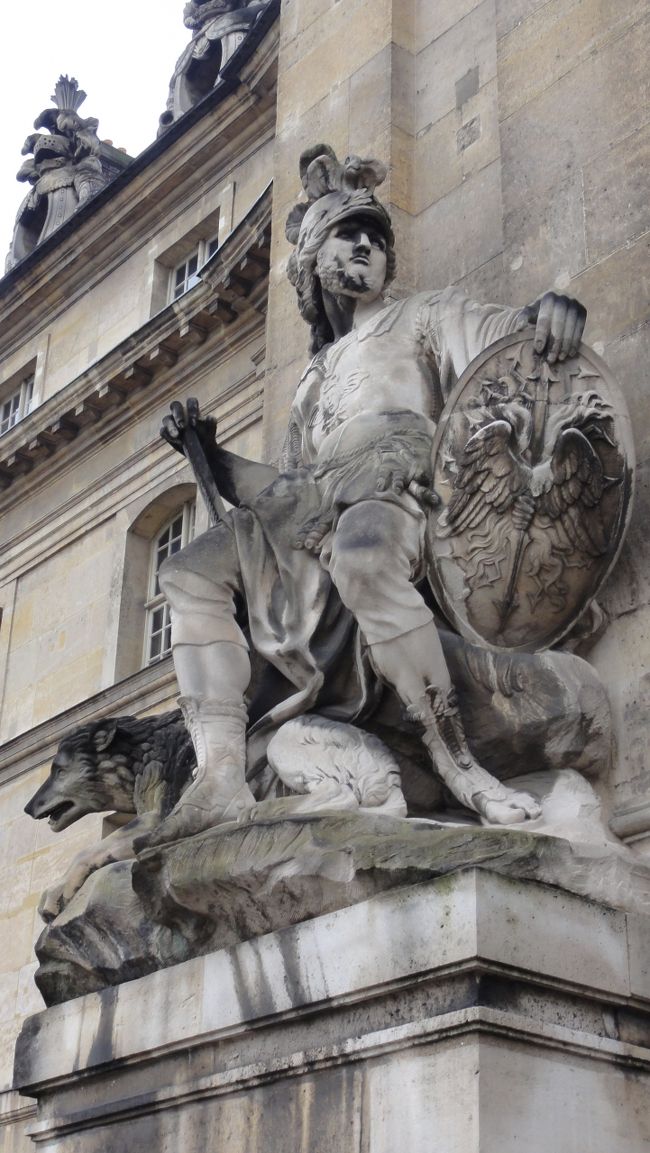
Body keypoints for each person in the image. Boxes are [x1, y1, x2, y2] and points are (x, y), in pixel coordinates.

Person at [152, 146, 586, 844]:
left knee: (362, 559)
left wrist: (546, 314)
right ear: (313, 261)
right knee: (185, 572)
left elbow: (503, 344)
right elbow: (283, 491)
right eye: (347, 235)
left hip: (397, 476)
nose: (365, 247)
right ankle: (222, 775)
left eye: (376, 238)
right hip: (309, 507)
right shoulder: (313, 377)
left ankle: (459, 763)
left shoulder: (423, 315)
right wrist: (209, 452)